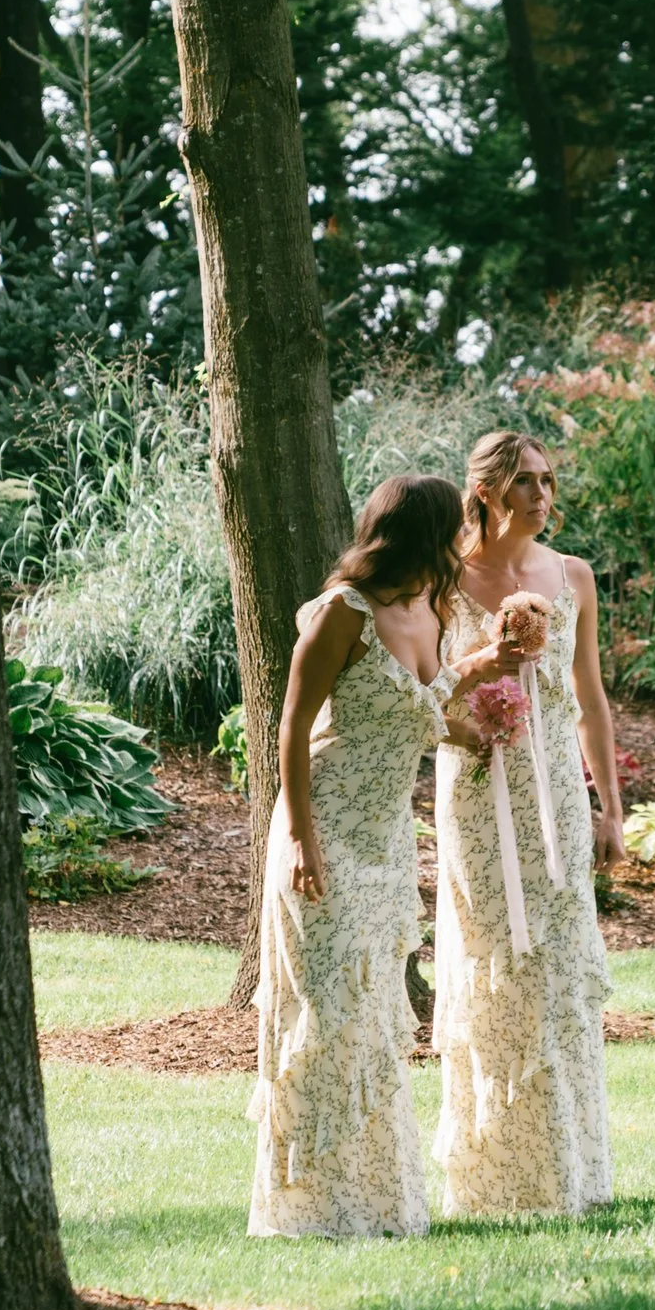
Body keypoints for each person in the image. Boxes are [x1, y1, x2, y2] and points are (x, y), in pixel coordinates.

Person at [249, 472, 517, 1241]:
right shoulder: (344, 612)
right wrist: (301, 836)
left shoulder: (429, 611)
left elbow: (424, 711)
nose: (466, 540)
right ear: (425, 532)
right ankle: (306, 1206)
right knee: (327, 1013)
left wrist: (481, 715)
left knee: (371, 1018)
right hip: (323, 828)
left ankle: (374, 1203)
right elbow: (292, 729)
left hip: (388, 842)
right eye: (457, 527)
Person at [430, 427, 627, 1218]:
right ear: (485, 491)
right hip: (476, 783)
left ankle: (571, 1172)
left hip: (554, 787)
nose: (542, 498)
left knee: (555, 967)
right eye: (525, 484)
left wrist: (609, 805)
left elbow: (591, 702)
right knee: (491, 961)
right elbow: (421, 685)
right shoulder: (441, 579)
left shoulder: (571, 575)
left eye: (548, 481)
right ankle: (492, 1178)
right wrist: (482, 673)